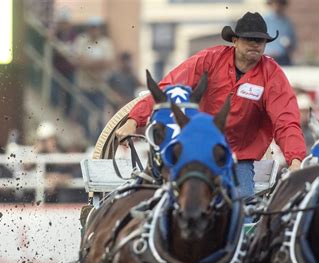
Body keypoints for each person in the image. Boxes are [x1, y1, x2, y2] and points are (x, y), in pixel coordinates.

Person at [115, 12, 306, 198]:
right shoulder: (209, 59)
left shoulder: (272, 75)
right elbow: (169, 88)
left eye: (260, 40)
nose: (255, 44)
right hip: (198, 149)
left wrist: (295, 161)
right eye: (250, 39)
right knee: (175, 198)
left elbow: (286, 120)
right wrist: (134, 120)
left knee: (242, 205)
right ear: (235, 41)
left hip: (237, 158)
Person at [73, 16, 115, 138]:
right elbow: (79, 60)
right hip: (84, 85)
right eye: (91, 28)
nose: (94, 30)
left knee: (100, 114)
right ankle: (88, 137)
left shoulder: (106, 43)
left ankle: (98, 139)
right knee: (84, 114)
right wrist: (97, 64)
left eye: (96, 28)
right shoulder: (81, 40)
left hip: (100, 86)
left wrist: (89, 64)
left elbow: (108, 62)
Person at [263, 0, 297, 65]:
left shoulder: (288, 22)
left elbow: (294, 43)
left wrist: (289, 44)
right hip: (267, 58)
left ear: (283, 5)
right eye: (275, 3)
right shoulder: (264, 20)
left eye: (280, 3)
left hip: (283, 59)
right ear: (271, 4)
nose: (277, 6)